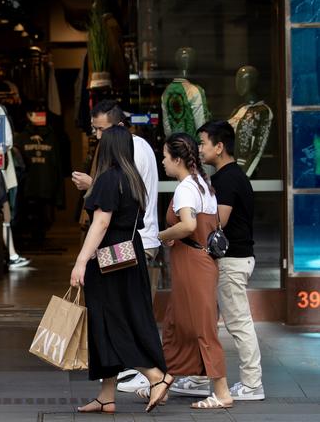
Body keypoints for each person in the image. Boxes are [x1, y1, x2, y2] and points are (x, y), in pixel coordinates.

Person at [70, 126, 172, 414]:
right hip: (129, 254)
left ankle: (156, 375)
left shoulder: (108, 179)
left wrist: (81, 261)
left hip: (106, 260)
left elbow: (100, 224)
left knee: (111, 322)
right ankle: (106, 395)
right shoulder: (132, 179)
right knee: (116, 319)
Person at [156, 132, 233, 409]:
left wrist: (163, 235)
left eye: (165, 156)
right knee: (176, 324)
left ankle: (222, 392)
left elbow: (188, 225)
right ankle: (163, 384)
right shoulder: (202, 183)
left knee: (201, 326)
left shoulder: (185, 188)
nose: (162, 161)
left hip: (192, 263)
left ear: (177, 159)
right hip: (198, 262)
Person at [190, 120, 263, 401]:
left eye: (203, 143)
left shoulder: (228, 179)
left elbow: (218, 222)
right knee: (214, 321)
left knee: (239, 322)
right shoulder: (229, 176)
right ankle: (197, 377)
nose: (199, 149)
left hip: (233, 260)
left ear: (219, 147)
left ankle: (252, 384)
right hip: (233, 259)